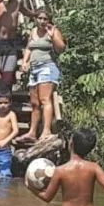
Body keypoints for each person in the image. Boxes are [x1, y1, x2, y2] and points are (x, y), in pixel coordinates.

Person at [18, 7, 66, 142]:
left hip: (47, 67)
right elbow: (29, 47)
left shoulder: (53, 31)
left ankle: (46, 130)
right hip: (34, 69)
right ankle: (32, 132)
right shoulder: (33, 31)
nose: (42, 21)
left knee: (45, 99)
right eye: (40, 18)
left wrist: (52, 37)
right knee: (34, 103)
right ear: (36, 19)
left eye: (45, 19)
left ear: (49, 20)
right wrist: (25, 61)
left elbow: (61, 48)